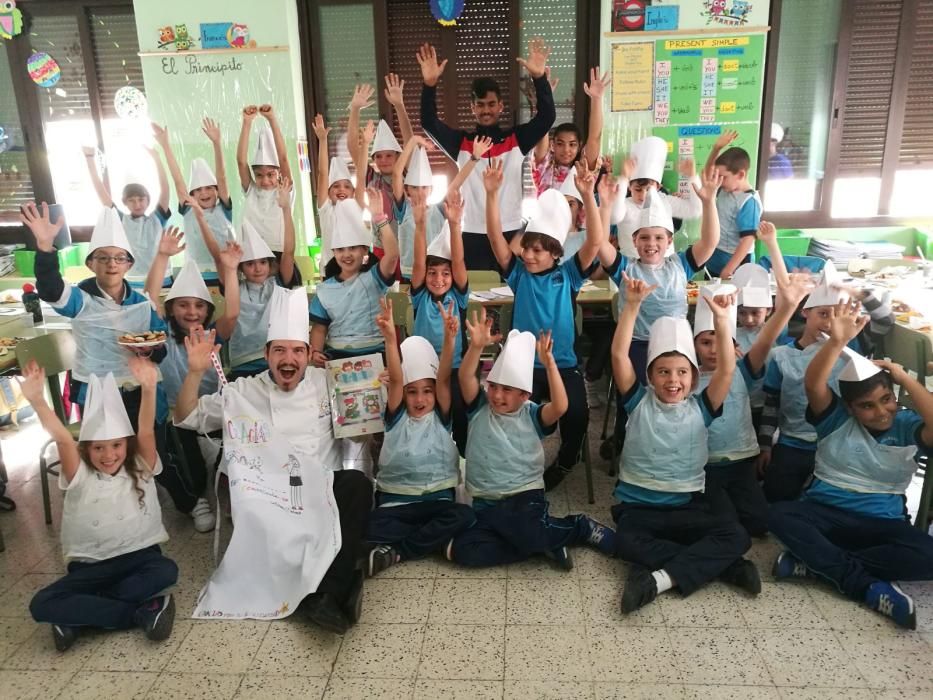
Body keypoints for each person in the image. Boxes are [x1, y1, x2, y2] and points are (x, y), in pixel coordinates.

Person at [174, 290, 373, 635]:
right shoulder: (243, 391)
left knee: (356, 485)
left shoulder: (328, 381)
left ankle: (327, 590)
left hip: (322, 487)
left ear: (310, 355)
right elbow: (187, 417)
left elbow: (363, 426)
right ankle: (335, 589)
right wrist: (194, 372)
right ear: (266, 355)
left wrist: (373, 390)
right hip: (271, 494)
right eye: (279, 350)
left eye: (297, 350)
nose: (288, 358)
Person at [22, 204, 197, 516]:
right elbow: (50, 290)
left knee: (156, 449)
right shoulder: (79, 298)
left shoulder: (142, 302)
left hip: (140, 390)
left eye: (119, 258)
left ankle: (189, 503)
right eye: (103, 258)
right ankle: (119, 510)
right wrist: (46, 248)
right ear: (91, 263)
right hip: (96, 390)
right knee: (105, 455)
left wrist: (149, 351)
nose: (111, 264)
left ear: (129, 263)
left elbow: (159, 346)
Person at [769, 300, 933, 629]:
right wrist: (836, 342)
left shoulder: (906, 425)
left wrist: (902, 376)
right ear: (850, 408)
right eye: (867, 406)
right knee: (777, 514)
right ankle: (866, 585)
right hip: (826, 516)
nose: (881, 411)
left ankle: (817, 564)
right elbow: (814, 384)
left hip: (881, 525)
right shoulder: (835, 422)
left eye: (886, 400)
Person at [611, 278, 758, 614]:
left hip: (688, 508)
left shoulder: (701, 407)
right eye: (663, 371)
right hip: (639, 511)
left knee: (738, 536)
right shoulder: (637, 402)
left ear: (693, 377)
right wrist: (631, 306)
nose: (673, 381)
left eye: (681, 372)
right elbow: (619, 354)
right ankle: (725, 567)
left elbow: (727, 369)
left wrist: (722, 322)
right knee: (624, 541)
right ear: (649, 375)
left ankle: (659, 580)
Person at [23, 360, 178, 652]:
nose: (109, 455)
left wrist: (148, 388)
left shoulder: (141, 466)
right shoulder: (79, 475)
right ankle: (142, 612)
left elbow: (145, 430)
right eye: (98, 447)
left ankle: (79, 617)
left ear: (127, 445)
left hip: (140, 559)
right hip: (90, 567)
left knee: (166, 571)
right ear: (85, 448)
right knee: (40, 604)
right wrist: (36, 400)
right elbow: (62, 438)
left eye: (116, 445)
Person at [450, 314, 616, 568]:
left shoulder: (532, 414)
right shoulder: (479, 408)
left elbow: (560, 406)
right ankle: (545, 541)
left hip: (524, 497)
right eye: (493, 386)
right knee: (464, 551)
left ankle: (579, 527)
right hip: (485, 500)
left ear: (524, 394)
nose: (496, 395)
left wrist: (549, 364)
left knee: (524, 527)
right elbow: (464, 378)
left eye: (507, 390)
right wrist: (476, 347)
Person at [485, 158, 603, 489]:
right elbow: (496, 240)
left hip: (563, 365)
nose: (530, 256)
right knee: (511, 413)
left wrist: (588, 195)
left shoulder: (568, 276)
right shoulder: (519, 276)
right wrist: (492, 195)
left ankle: (567, 459)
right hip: (523, 367)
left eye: (538, 251)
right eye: (527, 249)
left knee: (577, 414)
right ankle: (516, 459)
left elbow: (594, 243)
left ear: (555, 254)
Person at [758, 261, 893, 502]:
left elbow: (885, 321)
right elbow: (772, 403)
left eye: (837, 316)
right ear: (805, 312)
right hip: (793, 442)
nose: (830, 324)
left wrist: (857, 293)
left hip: (837, 443)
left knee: (823, 499)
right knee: (776, 496)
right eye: (822, 314)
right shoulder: (782, 356)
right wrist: (766, 445)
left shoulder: (850, 345)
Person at [418, 39, 555, 270]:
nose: (486, 110)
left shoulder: (516, 139)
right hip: (471, 233)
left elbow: (546, 119)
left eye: (491, 104)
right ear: (472, 108)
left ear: (500, 106)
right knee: (475, 298)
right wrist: (429, 84)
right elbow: (429, 123)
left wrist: (539, 79)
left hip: (510, 231)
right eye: (480, 105)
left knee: (509, 296)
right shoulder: (461, 143)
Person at [693, 270, 808, 537]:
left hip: (741, 460)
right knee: (727, 524)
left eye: (718, 341)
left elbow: (766, 339)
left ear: (733, 345)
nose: (713, 349)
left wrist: (788, 306)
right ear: (694, 344)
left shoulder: (742, 370)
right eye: (705, 342)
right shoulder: (687, 378)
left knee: (759, 524)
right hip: (704, 464)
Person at [366, 298, 475, 576]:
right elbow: (397, 378)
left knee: (464, 515)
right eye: (412, 391)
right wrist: (390, 338)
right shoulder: (396, 416)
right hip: (396, 500)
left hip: (437, 500)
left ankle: (398, 551)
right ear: (402, 392)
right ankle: (430, 541)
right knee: (366, 525)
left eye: (427, 391)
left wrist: (450, 340)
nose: (420, 398)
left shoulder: (441, 415)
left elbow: (442, 380)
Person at [144, 237, 242, 532]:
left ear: (208, 310)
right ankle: (193, 499)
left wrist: (231, 270)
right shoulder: (161, 336)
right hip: (176, 413)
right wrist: (162, 256)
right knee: (171, 452)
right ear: (171, 308)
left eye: (199, 306)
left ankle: (234, 495)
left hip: (213, 411)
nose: (191, 312)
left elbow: (234, 313)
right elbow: (149, 296)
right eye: (183, 305)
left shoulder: (213, 335)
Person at [598, 166, 722, 386]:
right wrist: (605, 207)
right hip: (637, 346)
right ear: (634, 241)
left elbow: (710, 242)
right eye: (644, 238)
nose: (651, 244)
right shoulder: (625, 268)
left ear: (669, 241)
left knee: (677, 399)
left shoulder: (680, 264)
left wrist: (709, 201)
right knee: (637, 401)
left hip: (677, 346)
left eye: (658, 238)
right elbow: (598, 243)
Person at [189, 176, 299, 379]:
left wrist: (285, 209)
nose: (257, 268)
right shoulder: (235, 287)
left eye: (262, 262)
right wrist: (201, 218)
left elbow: (289, 250)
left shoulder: (279, 283)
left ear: (270, 264)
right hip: (244, 364)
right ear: (241, 268)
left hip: (279, 360)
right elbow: (216, 255)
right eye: (250, 264)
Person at [409, 189, 470, 454]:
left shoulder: (458, 296)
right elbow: (419, 263)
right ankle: (429, 453)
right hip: (424, 368)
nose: (438, 279)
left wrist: (455, 225)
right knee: (427, 414)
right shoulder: (421, 296)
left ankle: (464, 456)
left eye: (445, 274)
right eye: (433, 273)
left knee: (459, 410)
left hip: (455, 367)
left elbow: (458, 260)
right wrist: (420, 224)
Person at [310, 193, 399, 364]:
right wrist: (315, 352)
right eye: (340, 249)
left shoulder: (374, 277)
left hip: (375, 352)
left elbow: (393, 255)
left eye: (353, 248)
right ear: (334, 252)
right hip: (336, 355)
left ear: (365, 250)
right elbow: (320, 328)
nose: (347, 255)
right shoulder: (324, 290)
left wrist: (380, 218)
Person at [153, 118, 235, 276]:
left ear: (217, 191)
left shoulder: (223, 209)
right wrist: (165, 146)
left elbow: (222, 177)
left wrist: (217, 143)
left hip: (225, 271)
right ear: (192, 196)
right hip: (195, 273)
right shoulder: (190, 209)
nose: (204, 193)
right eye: (198, 190)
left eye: (209, 188)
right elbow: (178, 181)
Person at [346, 76, 414, 261]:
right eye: (379, 156)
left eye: (389, 155)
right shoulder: (372, 179)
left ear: (398, 156)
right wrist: (355, 110)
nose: (383, 160)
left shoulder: (408, 175)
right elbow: (353, 148)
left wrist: (399, 106)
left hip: (409, 247)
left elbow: (409, 141)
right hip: (380, 248)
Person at [82, 142, 171, 282]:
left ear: (148, 200)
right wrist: (89, 159)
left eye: (141, 199)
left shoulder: (158, 219)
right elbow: (102, 194)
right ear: (125, 202)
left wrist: (156, 158)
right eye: (132, 200)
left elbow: (165, 188)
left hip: (162, 278)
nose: (137, 204)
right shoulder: (121, 219)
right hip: (133, 280)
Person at [609, 136, 702, 258]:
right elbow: (614, 216)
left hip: (665, 268)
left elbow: (695, 210)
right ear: (629, 187)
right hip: (632, 268)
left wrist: (692, 177)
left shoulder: (665, 201)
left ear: (658, 187)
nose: (643, 195)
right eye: (637, 190)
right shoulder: (625, 205)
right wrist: (623, 177)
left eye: (648, 189)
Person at [531, 67, 609, 195]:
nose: (566, 150)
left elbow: (595, 137)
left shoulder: (584, 169)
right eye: (560, 144)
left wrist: (596, 99)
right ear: (552, 145)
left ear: (580, 147)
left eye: (572, 144)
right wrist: (545, 98)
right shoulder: (544, 165)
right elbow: (542, 125)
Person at [311, 114, 370, 267]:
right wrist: (323, 140)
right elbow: (323, 173)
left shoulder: (356, 207)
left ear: (353, 191)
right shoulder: (326, 209)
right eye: (336, 186)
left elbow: (362, 175)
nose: (341, 189)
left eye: (346, 186)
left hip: (354, 269)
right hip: (329, 269)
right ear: (328, 192)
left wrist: (365, 145)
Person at [703, 130, 762, 278]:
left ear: (741, 174)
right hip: (715, 258)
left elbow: (747, 240)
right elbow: (707, 174)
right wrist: (716, 149)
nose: (719, 180)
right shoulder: (724, 190)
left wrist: (729, 269)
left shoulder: (749, 202)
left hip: (735, 265)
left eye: (723, 177)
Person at [236, 104, 293, 256]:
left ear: (279, 172)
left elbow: (283, 158)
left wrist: (272, 119)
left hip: (278, 251)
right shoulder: (251, 191)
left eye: (270, 174)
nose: (265, 180)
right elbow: (241, 162)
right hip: (252, 251)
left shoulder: (284, 189)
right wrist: (247, 123)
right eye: (259, 175)